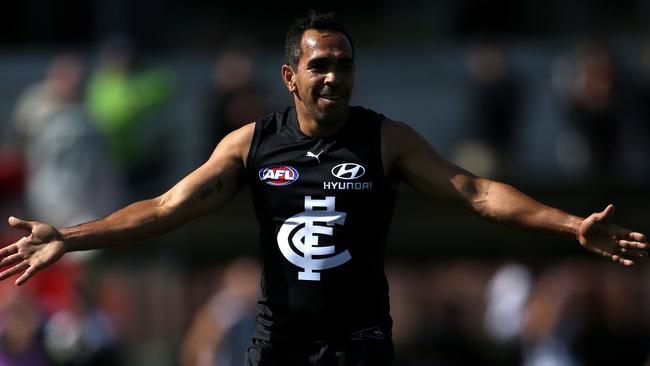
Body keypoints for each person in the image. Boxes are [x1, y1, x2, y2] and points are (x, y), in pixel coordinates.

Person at [0, 11, 647, 366]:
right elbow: (168, 208)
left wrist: (570, 226)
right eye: (320, 65)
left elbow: (476, 193)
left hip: (361, 347)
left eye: (344, 65)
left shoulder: (385, 139)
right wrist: (72, 236)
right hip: (277, 347)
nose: (334, 77)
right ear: (290, 76)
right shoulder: (250, 144)